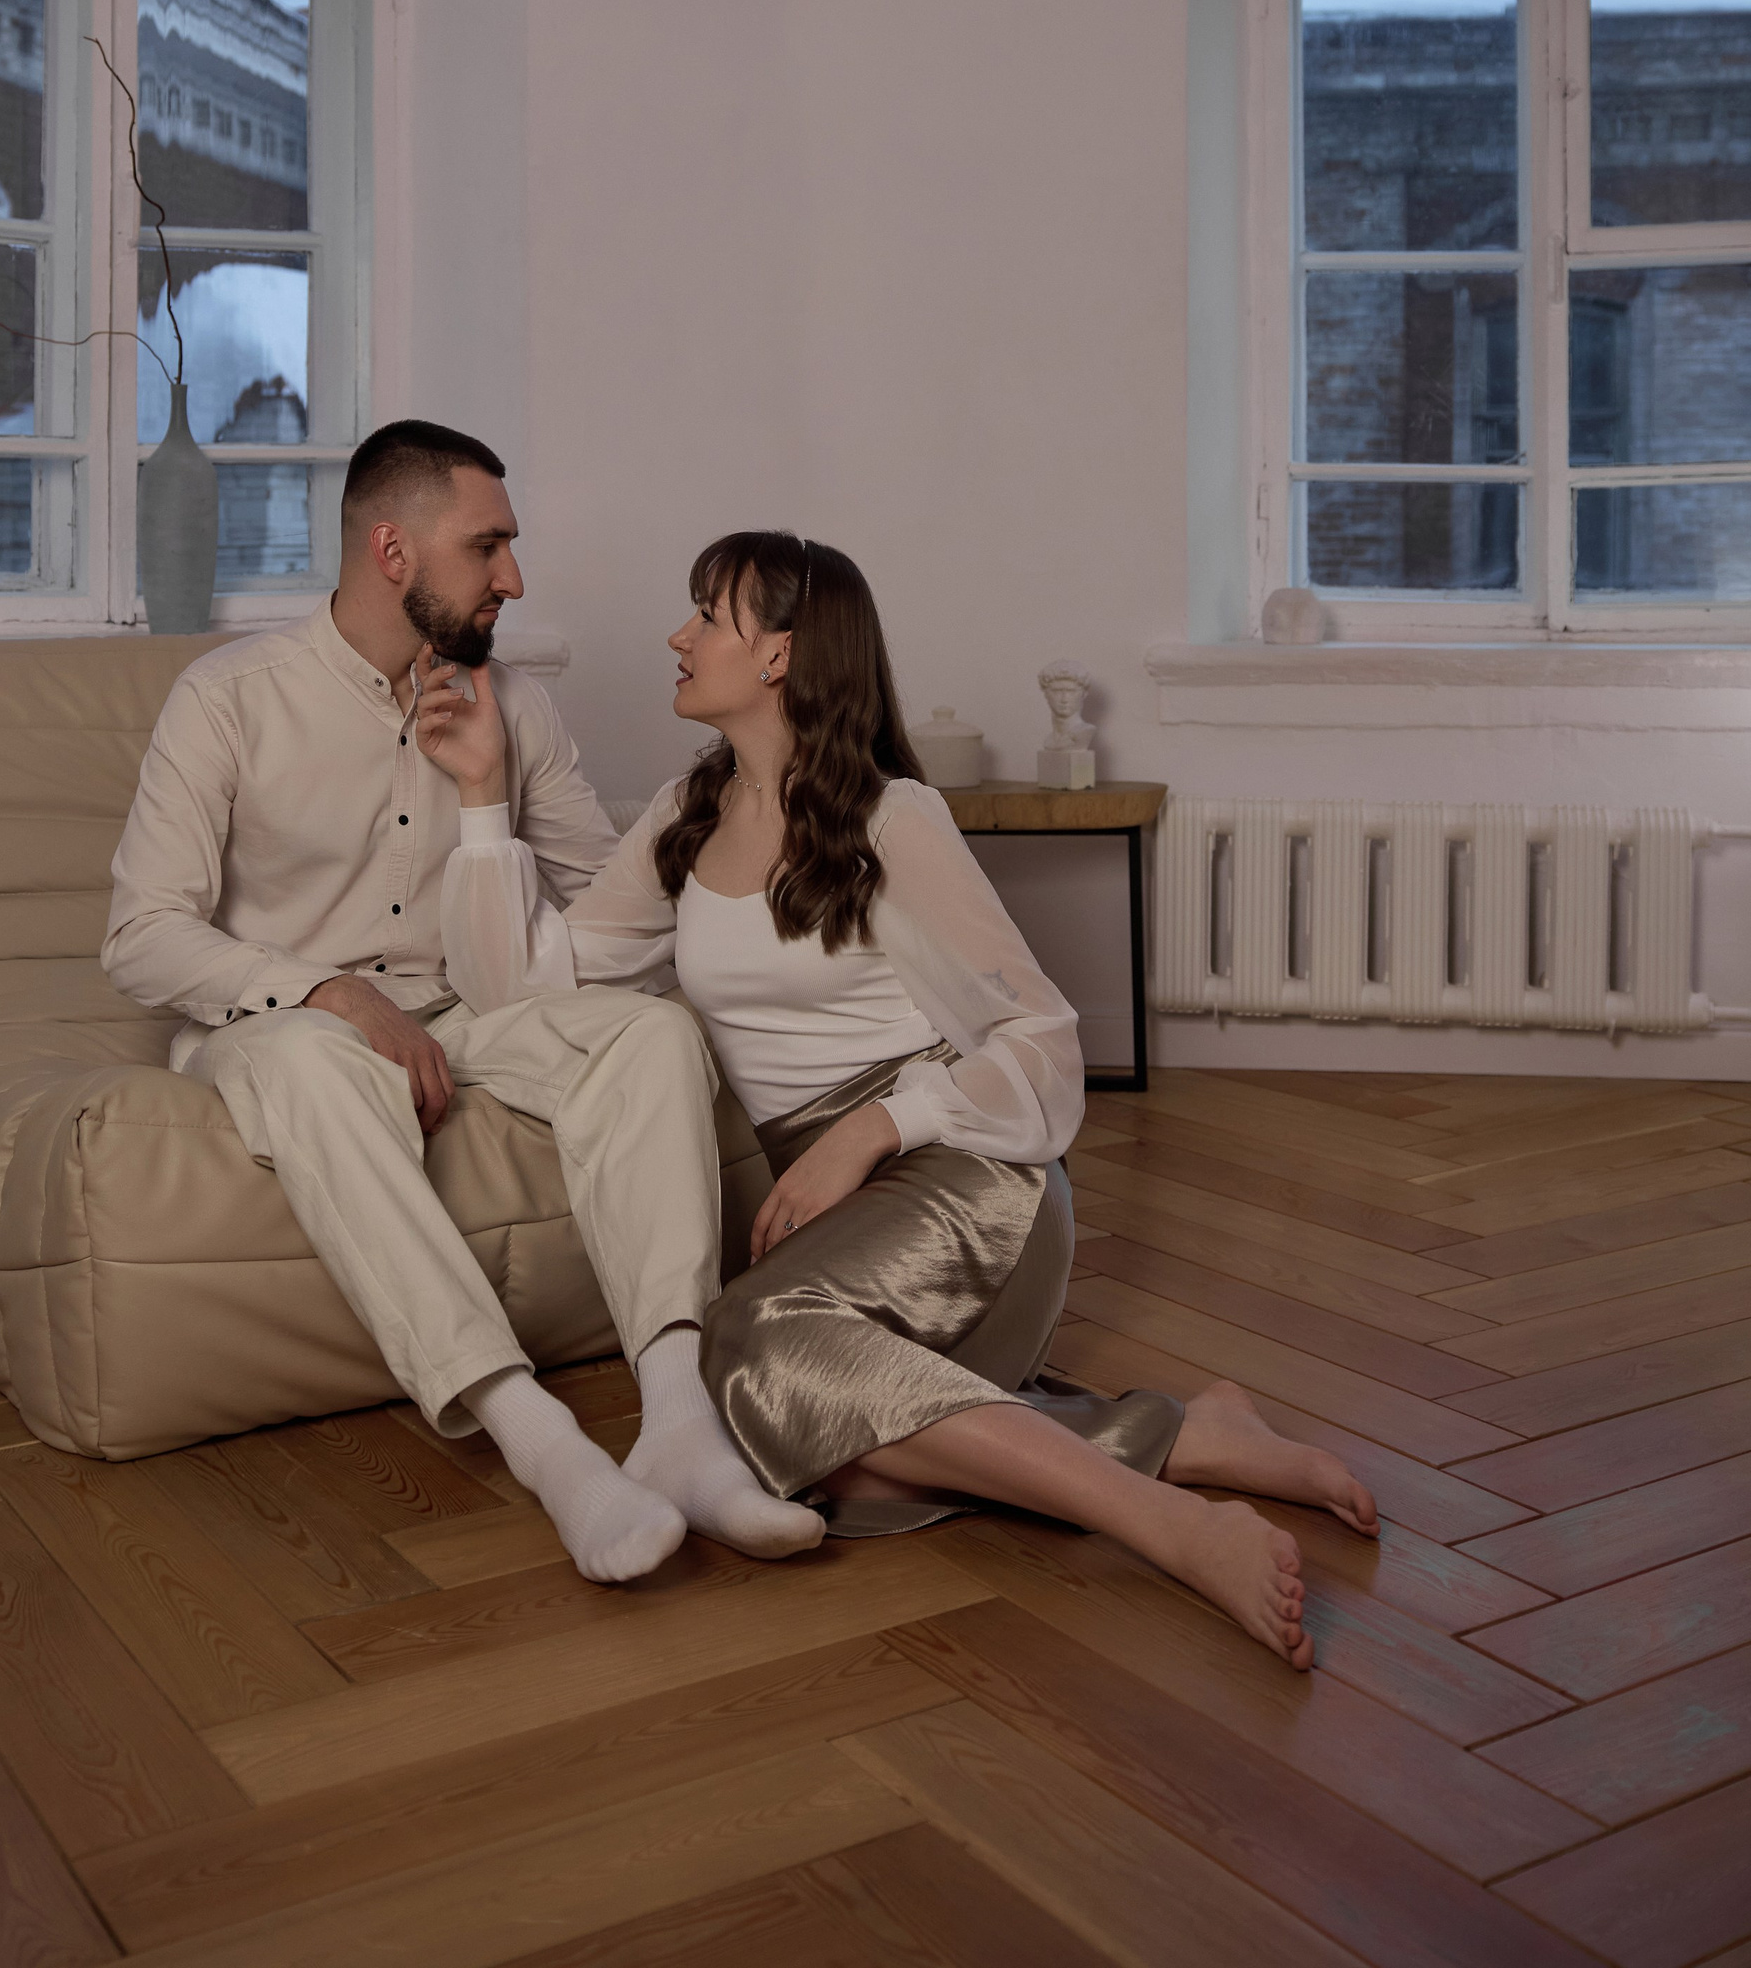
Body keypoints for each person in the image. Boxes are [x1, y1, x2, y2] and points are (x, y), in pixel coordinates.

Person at [423, 528, 1379, 1667]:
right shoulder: (686, 814)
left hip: (962, 1181)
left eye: (708, 616)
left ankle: (1169, 1525)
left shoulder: (893, 819)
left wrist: (877, 1127)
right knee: (786, 1435)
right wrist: (481, 797)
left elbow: (1045, 1041)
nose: (678, 636)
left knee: (743, 1350)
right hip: (833, 1220)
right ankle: (1177, 1436)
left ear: (779, 652)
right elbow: (523, 987)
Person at [103, 423, 820, 1584]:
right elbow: (142, 934)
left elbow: (611, 902)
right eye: (488, 546)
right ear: (393, 549)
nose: (515, 577)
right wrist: (329, 991)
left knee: (650, 1033)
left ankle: (682, 1421)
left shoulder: (514, 707)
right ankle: (543, 1443)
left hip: (468, 1010)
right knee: (314, 1061)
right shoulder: (226, 698)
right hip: (277, 1027)